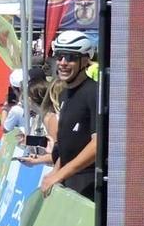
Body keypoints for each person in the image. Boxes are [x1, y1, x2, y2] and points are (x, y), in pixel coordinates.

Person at [39, 31, 99, 198]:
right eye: (59, 56)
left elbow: (98, 145)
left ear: (86, 60)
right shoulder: (65, 93)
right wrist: (55, 172)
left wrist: (60, 174)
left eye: (71, 57)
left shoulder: (94, 92)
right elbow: (69, 145)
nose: (63, 63)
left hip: (88, 184)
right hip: (68, 181)